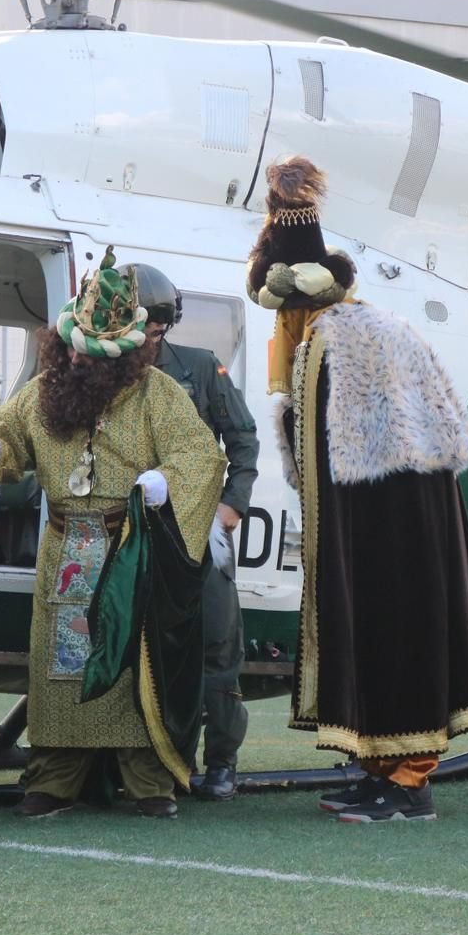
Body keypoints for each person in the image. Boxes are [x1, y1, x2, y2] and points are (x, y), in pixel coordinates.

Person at [246, 156, 468, 824]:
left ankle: (410, 782)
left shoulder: (360, 338)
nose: (280, 325)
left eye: (285, 310)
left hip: (395, 528)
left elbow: (402, 445)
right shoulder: (325, 340)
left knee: (397, 632)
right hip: (360, 524)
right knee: (363, 634)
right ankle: (378, 767)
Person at [0, 249, 227, 820]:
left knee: (127, 666)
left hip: (130, 551)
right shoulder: (43, 392)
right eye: (78, 352)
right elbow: (4, 437)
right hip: (64, 548)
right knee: (60, 671)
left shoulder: (158, 394)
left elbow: (199, 455)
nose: (86, 364)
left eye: (101, 357)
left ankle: (148, 782)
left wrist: (165, 482)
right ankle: (52, 780)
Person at [121, 262, 259, 801]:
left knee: (217, 646)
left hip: (200, 532)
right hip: (138, 535)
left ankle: (222, 760)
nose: (150, 340)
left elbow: (242, 441)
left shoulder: (199, 369)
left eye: (157, 330)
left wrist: (232, 506)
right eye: (142, 331)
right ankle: (161, 758)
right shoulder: (112, 374)